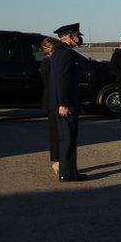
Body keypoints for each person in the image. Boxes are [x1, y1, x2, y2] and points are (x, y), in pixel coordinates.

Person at [50, 23, 89, 182]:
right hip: (66, 104)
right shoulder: (65, 53)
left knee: (69, 138)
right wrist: (64, 103)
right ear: (70, 36)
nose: (79, 38)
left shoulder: (60, 51)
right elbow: (62, 80)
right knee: (68, 139)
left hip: (64, 102)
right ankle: (67, 173)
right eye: (77, 35)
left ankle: (71, 171)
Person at [38, 37, 61, 178]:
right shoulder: (47, 63)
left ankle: (61, 161)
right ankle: (56, 162)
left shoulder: (54, 62)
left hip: (57, 100)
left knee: (61, 134)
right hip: (54, 102)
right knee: (56, 133)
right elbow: (51, 85)